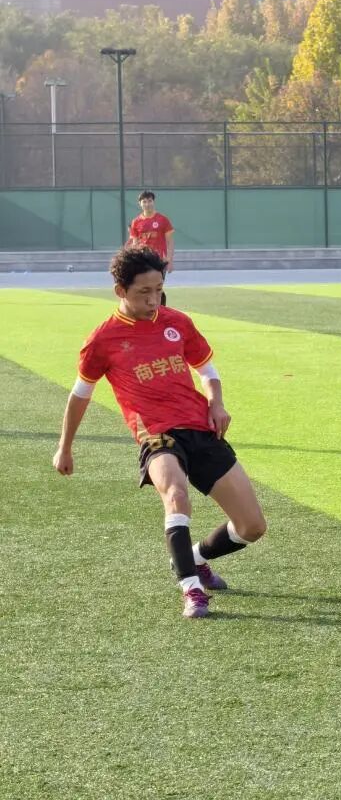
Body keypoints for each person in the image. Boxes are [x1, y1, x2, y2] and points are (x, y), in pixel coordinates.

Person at [52, 246, 267, 619]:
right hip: (156, 435)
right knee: (176, 493)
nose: (153, 300)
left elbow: (207, 370)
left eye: (158, 290)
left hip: (200, 427)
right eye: (143, 292)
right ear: (120, 290)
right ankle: (192, 589)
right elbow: (80, 395)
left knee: (252, 527)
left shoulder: (177, 322)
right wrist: (64, 447)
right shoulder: (102, 339)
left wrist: (216, 403)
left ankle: (194, 557)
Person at [127, 191, 174, 306]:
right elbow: (135, 243)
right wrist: (133, 259)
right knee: (145, 287)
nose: (147, 204)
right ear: (140, 204)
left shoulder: (163, 220)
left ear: (153, 202)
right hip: (143, 260)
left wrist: (169, 260)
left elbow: (170, 241)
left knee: (158, 286)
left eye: (149, 201)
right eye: (144, 202)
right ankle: (146, 309)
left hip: (159, 260)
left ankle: (161, 310)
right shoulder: (136, 222)